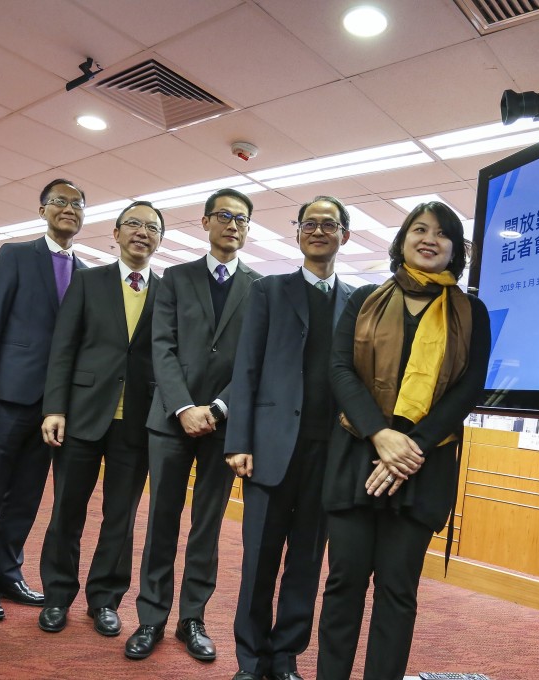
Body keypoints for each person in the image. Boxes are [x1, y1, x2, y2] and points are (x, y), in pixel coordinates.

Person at [315, 202, 491, 679]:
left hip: (423, 464)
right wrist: (380, 434)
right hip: (358, 455)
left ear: (456, 249)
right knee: (344, 583)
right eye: (419, 229)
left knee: (397, 590)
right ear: (403, 239)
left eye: (442, 233)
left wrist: (409, 448)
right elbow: (340, 369)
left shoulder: (471, 311)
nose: (429, 239)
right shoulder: (366, 298)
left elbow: (469, 387)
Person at [125, 188, 262, 662]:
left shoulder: (259, 287)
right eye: (224, 216)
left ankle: (192, 619)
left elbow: (253, 363)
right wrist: (184, 407)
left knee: (206, 527)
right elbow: (160, 348)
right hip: (170, 421)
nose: (233, 225)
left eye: (242, 219)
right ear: (206, 222)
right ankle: (150, 618)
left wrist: (219, 408)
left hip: (224, 427)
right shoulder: (176, 278)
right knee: (162, 519)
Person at [225, 197, 354, 680]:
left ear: (345, 236)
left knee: (306, 561)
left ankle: (285, 657)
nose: (318, 230)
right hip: (270, 449)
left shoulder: (357, 301)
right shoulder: (269, 291)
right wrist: (238, 440)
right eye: (310, 223)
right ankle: (250, 659)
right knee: (259, 559)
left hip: (329, 453)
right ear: (298, 233)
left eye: (329, 224)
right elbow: (247, 368)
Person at [0, 179, 89, 621]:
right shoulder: (15, 255)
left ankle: (7, 571)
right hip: (8, 394)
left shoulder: (88, 272)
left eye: (77, 204)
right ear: (42, 210)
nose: (69, 208)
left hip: (54, 407)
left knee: (28, 494)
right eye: (60, 201)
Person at [38, 201, 163, 636]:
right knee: (67, 509)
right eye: (133, 224)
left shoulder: (168, 292)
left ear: (159, 239)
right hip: (82, 415)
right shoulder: (88, 281)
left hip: (139, 421)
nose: (142, 232)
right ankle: (56, 596)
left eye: (151, 227)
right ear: (115, 232)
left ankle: (105, 600)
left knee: (121, 516)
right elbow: (63, 348)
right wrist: (54, 407)